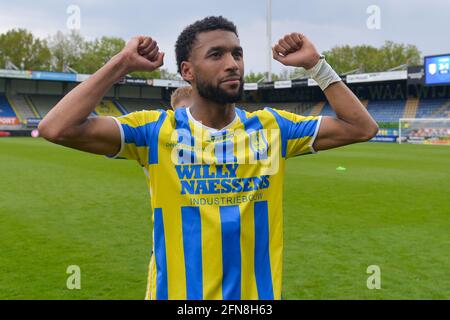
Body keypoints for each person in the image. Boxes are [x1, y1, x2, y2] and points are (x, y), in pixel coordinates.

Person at [38, 16, 378, 300]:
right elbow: (56, 128)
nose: (232, 64)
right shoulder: (155, 131)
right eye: (216, 55)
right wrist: (122, 63)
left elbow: (361, 127)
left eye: (237, 54)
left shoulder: (273, 128)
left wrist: (315, 66)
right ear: (188, 70)